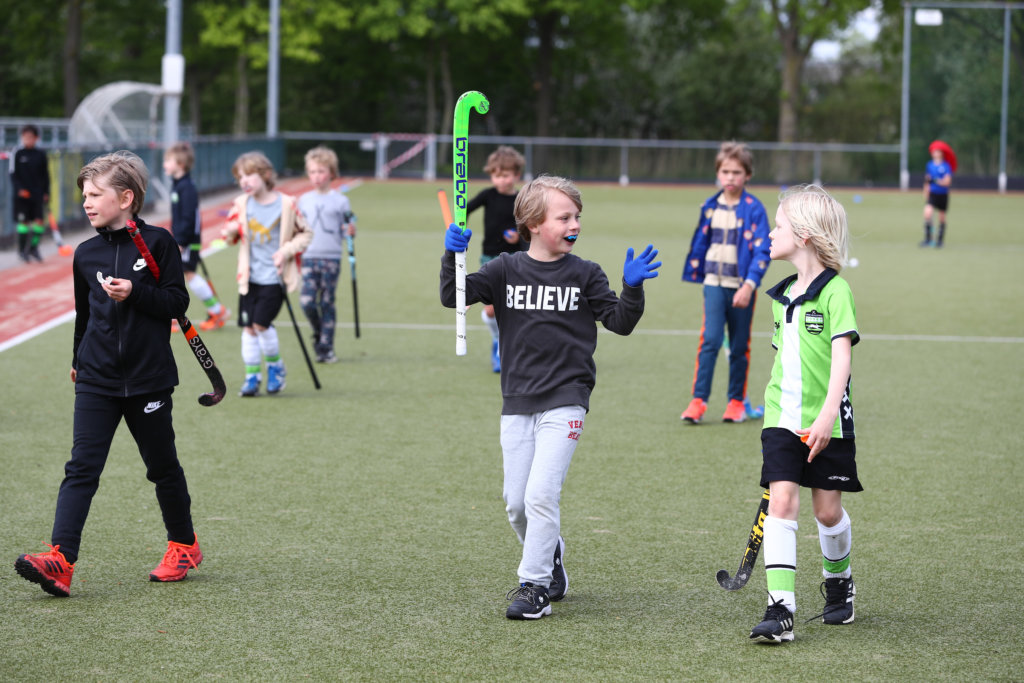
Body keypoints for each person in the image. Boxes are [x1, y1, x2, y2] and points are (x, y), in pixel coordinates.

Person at [440, 175, 661, 620]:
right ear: (534, 223)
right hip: (517, 399)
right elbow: (452, 296)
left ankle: (534, 586)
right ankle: (550, 557)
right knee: (517, 503)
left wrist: (632, 288)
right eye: (565, 216)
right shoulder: (504, 269)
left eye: (577, 215)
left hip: (567, 398)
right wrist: (452, 254)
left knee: (541, 494)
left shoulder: (585, 273)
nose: (574, 222)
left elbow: (619, 322)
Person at [14, 150, 201, 597]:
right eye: (84, 195)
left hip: (148, 379)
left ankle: (183, 544)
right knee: (81, 468)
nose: (87, 202)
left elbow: (176, 304)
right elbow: (86, 315)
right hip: (97, 377)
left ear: (126, 197)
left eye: (95, 194)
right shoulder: (85, 253)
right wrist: (79, 359)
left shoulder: (158, 244)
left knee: (162, 468)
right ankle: (61, 560)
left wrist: (135, 292)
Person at [748, 184, 861, 644]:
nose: (770, 234)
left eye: (778, 226)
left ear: (806, 235)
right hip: (780, 417)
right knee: (783, 502)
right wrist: (780, 415)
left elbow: (841, 359)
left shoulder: (836, 291)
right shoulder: (780, 297)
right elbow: (782, 361)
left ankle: (840, 583)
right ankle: (782, 609)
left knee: (827, 511)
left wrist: (826, 415)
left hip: (827, 421)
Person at [680, 141, 771, 424]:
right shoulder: (709, 206)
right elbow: (702, 242)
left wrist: (749, 285)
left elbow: (762, 251)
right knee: (710, 340)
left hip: (742, 287)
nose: (730, 177)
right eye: (726, 171)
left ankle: (735, 403)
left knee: (740, 345)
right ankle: (698, 401)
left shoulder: (754, 209)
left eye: (737, 172)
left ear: (748, 176)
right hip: (714, 283)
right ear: (718, 174)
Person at [222, 151, 311, 397]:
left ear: (266, 175)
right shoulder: (241, 204)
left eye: (249, 175)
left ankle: (275, 368)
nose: (244, 181)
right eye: (240, 177)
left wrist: (286, 252)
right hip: (248, 278)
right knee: (248, 329)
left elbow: (305, 234)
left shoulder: (286, 203)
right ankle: (252, 377)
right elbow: (230, 235)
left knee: (261, 324)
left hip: (275, 277)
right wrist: (230, 230)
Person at [466, 146, 526, 373]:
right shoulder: (487, 195)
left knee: (515, 308)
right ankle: (497, 340)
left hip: (517, 259)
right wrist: (458, 222)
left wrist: (519, 236)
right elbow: (466, 209)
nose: (501, 180)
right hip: (490, 258)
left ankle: (511, 350)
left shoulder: (522, 198)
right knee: (491, 310)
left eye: (506, 175)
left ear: (516, 175)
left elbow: (530, 225)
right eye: (496, 175)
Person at [297, 145, 355, 363]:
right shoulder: (304, 200)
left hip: (331, 257)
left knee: (327, 302)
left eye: (321, 171)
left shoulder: (340, 200)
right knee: (307, 302)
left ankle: (326, 347)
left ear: (331, 172)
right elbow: (298, 228)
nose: (316, 176)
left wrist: (350, 231)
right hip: (309, 256)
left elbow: (346, 230)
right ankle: (318, 331)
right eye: (312, 172)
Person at [163, 142, 229, 332]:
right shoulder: (178, 186)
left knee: (187, 274)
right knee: (180, 275)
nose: (164, 164)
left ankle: (217, 311)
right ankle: (214, 311)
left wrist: (181, 241)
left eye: (168, 160)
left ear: (181, 164)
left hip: (187, 241)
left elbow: (191, 217)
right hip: (182, 239)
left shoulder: (187, 188)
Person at [11, 124, 50, 263]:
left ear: (36, 138)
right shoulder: (17, 153)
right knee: (24, 222)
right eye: (25, 137)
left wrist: (46, 192)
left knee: (39, 222)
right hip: (22, 196)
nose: (27, 140)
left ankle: (33, 248)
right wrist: (20, 189)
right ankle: (22, 251)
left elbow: (45, 175)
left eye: (30, 137)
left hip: (37, 194)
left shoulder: (41, 154)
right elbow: (13, 175)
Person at [921, 140, 954, 248]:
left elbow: (947, 182)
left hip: (943, 195)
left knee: (941, 217)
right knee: (927, 214)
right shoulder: (929, 165)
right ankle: (928, 239)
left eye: (937, 151)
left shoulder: (946, 166)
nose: (934, 153)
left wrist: (936, 181)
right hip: (933, 194)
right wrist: (926, 190)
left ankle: (940, 241)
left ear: (941, 153)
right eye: (933, 151)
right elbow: (927, 180)